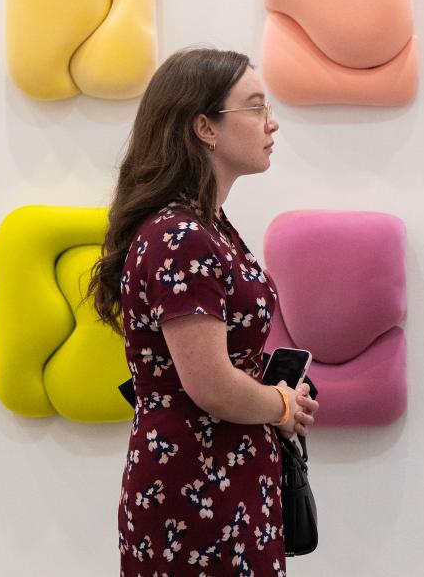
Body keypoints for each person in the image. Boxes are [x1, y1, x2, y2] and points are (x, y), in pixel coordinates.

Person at [90, 47, 320, 576]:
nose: (272, 122)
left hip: (221, 484)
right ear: (205, 127)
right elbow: (211, 384)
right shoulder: (182, 236)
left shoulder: (206, 227)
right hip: (197, 494)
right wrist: (282, 405)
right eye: (256, 107)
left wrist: (277, 397)